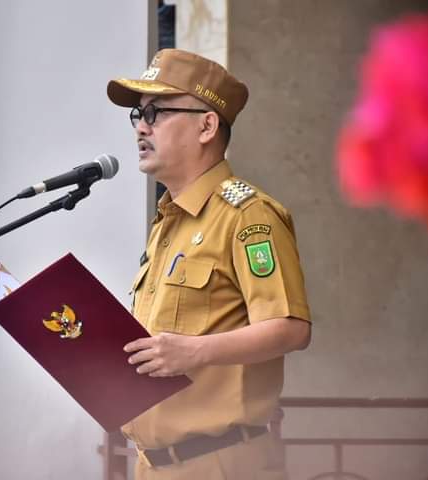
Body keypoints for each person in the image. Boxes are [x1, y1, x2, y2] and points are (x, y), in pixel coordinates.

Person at [107, 49, 312, 479]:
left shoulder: (247, 215)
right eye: (138, 115)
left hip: (221, 463)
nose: (141, 126)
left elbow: (291, 327)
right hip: (152, 465)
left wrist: (192, 351)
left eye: (157, 112)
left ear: (206, 126)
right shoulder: (168, 221)